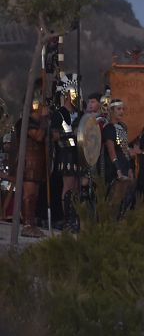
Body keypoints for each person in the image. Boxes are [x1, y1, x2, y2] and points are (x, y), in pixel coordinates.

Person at [51, 72, 84, 230]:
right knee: (69, 186)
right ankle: (67, 219)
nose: (76, 95)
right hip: (66, 154)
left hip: (79, 154)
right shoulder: (59, 114)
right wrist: (72, 133)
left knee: (77, 187)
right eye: (73, 92)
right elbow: (55, 136)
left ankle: (75, 218)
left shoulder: (80, 113)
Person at [10, 96, 48, 236]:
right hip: (28, 163)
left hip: (38, 164)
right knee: (29, 195)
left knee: (34, 196)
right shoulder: (25, 122)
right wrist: (44, 119)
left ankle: (31, 223)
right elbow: (38, 136)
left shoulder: (39, 122)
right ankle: (27, 225)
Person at [101, 98, 134, 216]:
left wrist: (129, 168)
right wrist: (118, 169)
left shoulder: (123, 127)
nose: (121, 111)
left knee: (123, 199)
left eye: (122, 109)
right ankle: (109, 226)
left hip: (124, 166)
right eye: (118, 109)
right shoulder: (108, 128)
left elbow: (125, 150)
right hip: (114, 168)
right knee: (114, 199)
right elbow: (111, 150)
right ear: (111, 111)